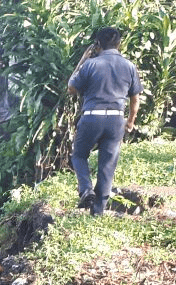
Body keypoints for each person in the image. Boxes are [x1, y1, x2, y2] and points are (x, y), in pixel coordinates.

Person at [67, 27, 142, 215]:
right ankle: (97, 213)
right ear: (119, 44)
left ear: (98, 44)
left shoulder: (91, 64)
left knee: (79, 156)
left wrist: (83, 60)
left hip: (92, 117)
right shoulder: (129, 66)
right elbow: (135, 99)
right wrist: (130, 121)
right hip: (116, 120)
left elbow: (71, 88)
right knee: (107, 167)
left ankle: (85, 190)